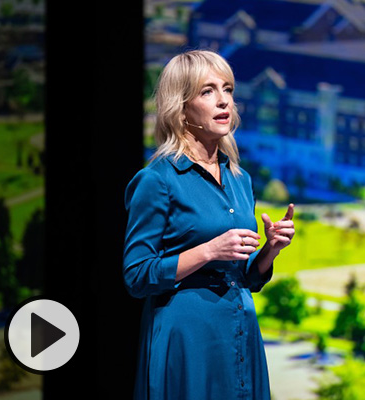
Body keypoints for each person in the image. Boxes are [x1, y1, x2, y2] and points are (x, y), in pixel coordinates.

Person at [122, 49, 295, 400]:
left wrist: (269, 251)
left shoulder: (240, 178)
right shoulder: (158, 180)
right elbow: (137, 276)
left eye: (227, 89)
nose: (223, 101)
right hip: (188, 337)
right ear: (181, 108)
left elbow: (242, 274)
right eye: (207, 91)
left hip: (239, 328)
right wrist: (209, 250)